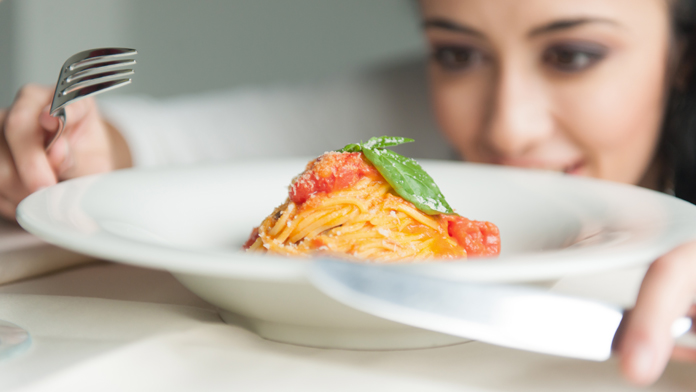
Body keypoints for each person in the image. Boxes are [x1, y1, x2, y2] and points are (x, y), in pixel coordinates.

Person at [0, 0, 694, 386]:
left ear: (682, 53)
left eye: (573, 56)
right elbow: (167, 145)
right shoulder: (395, 111)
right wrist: (74, 148)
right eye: (457, 53)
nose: (507, 123)